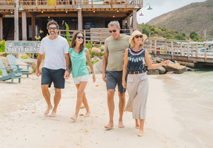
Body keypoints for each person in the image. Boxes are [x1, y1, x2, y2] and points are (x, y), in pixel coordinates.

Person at [122, 30, 169, 137]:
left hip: (142, 77)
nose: (139, 38)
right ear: (133, 39)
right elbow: (124, 66)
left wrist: (162, 63)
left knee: (141, 101)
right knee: (134, 100)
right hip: (130, 77)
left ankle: (141, 128)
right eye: (137, 36)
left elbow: (150, 66)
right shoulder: (127, 51)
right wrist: (123, 80)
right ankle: (136, 122)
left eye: (140, 36)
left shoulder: (144, 52)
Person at [36, 20, 70, 117]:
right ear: (48, 29)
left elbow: (67, 56)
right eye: (50, 28)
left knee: (57, 90)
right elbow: (40, 55)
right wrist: (37, 68)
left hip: (60, 69)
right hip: (47, 68)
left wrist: (67, 69)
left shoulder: (63, 41)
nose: (52, 30)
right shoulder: (44, 41)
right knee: (43, 87)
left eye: (54, 28)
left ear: (57, 29)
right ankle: (49, 105)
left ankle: (55, 109)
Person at [102, 21, 130, 129]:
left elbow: (134, 52)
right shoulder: (108, 40)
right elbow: (105, 57)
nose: (112, 33)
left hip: (123, 73)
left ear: (119, 29)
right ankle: (110, 121)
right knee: (110, 93)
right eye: (110, 31)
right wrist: (103, 72)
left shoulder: (128, 39)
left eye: (114, 30)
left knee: (121, 95)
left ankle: (121, 119)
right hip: (110, 72)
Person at [69, 32, 96, 121]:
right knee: (82, 93)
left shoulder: (85, 50)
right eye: (79, 37)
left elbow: (89, 62)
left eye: (82, 37)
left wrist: (93, 73)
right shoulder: (70, 51)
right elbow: (69, 63)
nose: (81, 38)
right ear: (75, 38)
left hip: (84, 73)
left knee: (79, 93)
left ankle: (75, 114)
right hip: (75, 74)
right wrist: (67, 72)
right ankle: (88, 110)